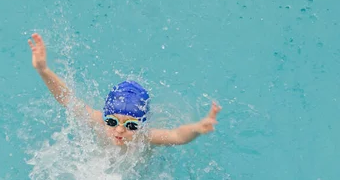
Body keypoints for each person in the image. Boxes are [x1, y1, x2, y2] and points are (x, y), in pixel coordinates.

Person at [28, 33, 221, 147]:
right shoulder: (97, 121)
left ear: (142, 125)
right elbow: (67, 99)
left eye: (131, 125)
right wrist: (43, 70)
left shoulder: (146, 138)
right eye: (112, 121)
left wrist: (197, 128)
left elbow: (177, 136)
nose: (119, 130)